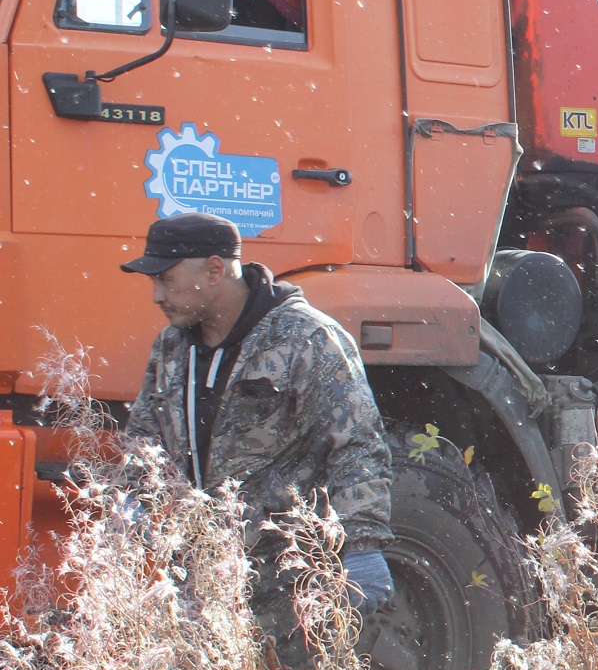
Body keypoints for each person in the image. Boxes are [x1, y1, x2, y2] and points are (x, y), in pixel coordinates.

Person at [120, 212, 397, 643]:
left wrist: (362, 546)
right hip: (207, 580)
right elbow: (144, 441)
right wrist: (131, 503)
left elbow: (357, 444)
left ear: (214, 270)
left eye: (166, 279)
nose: (157, 295)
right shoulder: (170, 348)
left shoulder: (306, 339)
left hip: (295, 584)